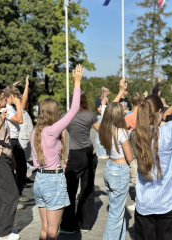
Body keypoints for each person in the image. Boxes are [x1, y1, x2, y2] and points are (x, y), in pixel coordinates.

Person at [132, 69, 172, 240]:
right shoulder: (167, 134)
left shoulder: (134, 136)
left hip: (144, 204)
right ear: (159, 113)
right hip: (167, 203)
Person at [31, 65, 83, 240]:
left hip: (39, 179)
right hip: (52, 181)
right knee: (53, 232)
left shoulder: (35, 131)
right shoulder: (52, 130)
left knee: (45, 229)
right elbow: (74, 109)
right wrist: (77, 83)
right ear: (54, 113)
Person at [59, 91, 100, 234]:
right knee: (87, 189)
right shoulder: (90, 115)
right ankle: (85, 224)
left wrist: (63, 156)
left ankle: (69, 226)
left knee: (70, 190)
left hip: (75, 154)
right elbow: (100, 130)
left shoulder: (66, 116)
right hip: (89, 153)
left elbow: (62, 136)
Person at [99, 79, 133, 240]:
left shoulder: (106, 128)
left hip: (109, 168)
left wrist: (120, 91)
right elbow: (130, 157)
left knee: (118, 213)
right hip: (120, 171)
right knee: (116, 215)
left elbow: (108, 111)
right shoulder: (121, 132)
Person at [2, 85, 29, 210]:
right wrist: (18, 104)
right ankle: (14, 198)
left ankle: (17, 195)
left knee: (22, 168)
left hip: (15, 140)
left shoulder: (11, 107)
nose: (17, 98)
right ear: (11, 96)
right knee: (14, 169)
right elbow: (19, 120)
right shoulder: (5, 109)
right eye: (16, 96)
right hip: (11, 140)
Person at [0, 90, 20, 240]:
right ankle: (3, 233)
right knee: (11, 195)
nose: (6, 101)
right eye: (4, 99)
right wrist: (0, 122)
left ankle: (0, 228)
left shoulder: (1, 115)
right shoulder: (0, 118)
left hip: (4, 156)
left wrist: (11, 157)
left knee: (1, 196)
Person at [124, 92, 144, 211]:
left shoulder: (128, 117)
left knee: (136, 175)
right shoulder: (145, 116)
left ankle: (138, 201)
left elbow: (124, 135)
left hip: (133, 149)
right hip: (145, 147)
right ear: (142, 102)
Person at [18, 76, 34, 170]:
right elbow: (24, 99)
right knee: (22, 159)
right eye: (25, 102)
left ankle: (23, 175)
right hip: (23, 139)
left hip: (27, 139)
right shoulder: (20, 110)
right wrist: (27, 85)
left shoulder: (25, 112)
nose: (27, 103)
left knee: (24, 159)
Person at [95, 87, 109, 159]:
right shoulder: (98, 100)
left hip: (106, 118)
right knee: (99, 135)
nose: (108, 93)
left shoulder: (106, 100)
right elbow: (99, 111)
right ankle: (100, 153)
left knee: (105, 136)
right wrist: (103, 104)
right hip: (100, 118)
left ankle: (104, 152)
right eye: (107, 91)